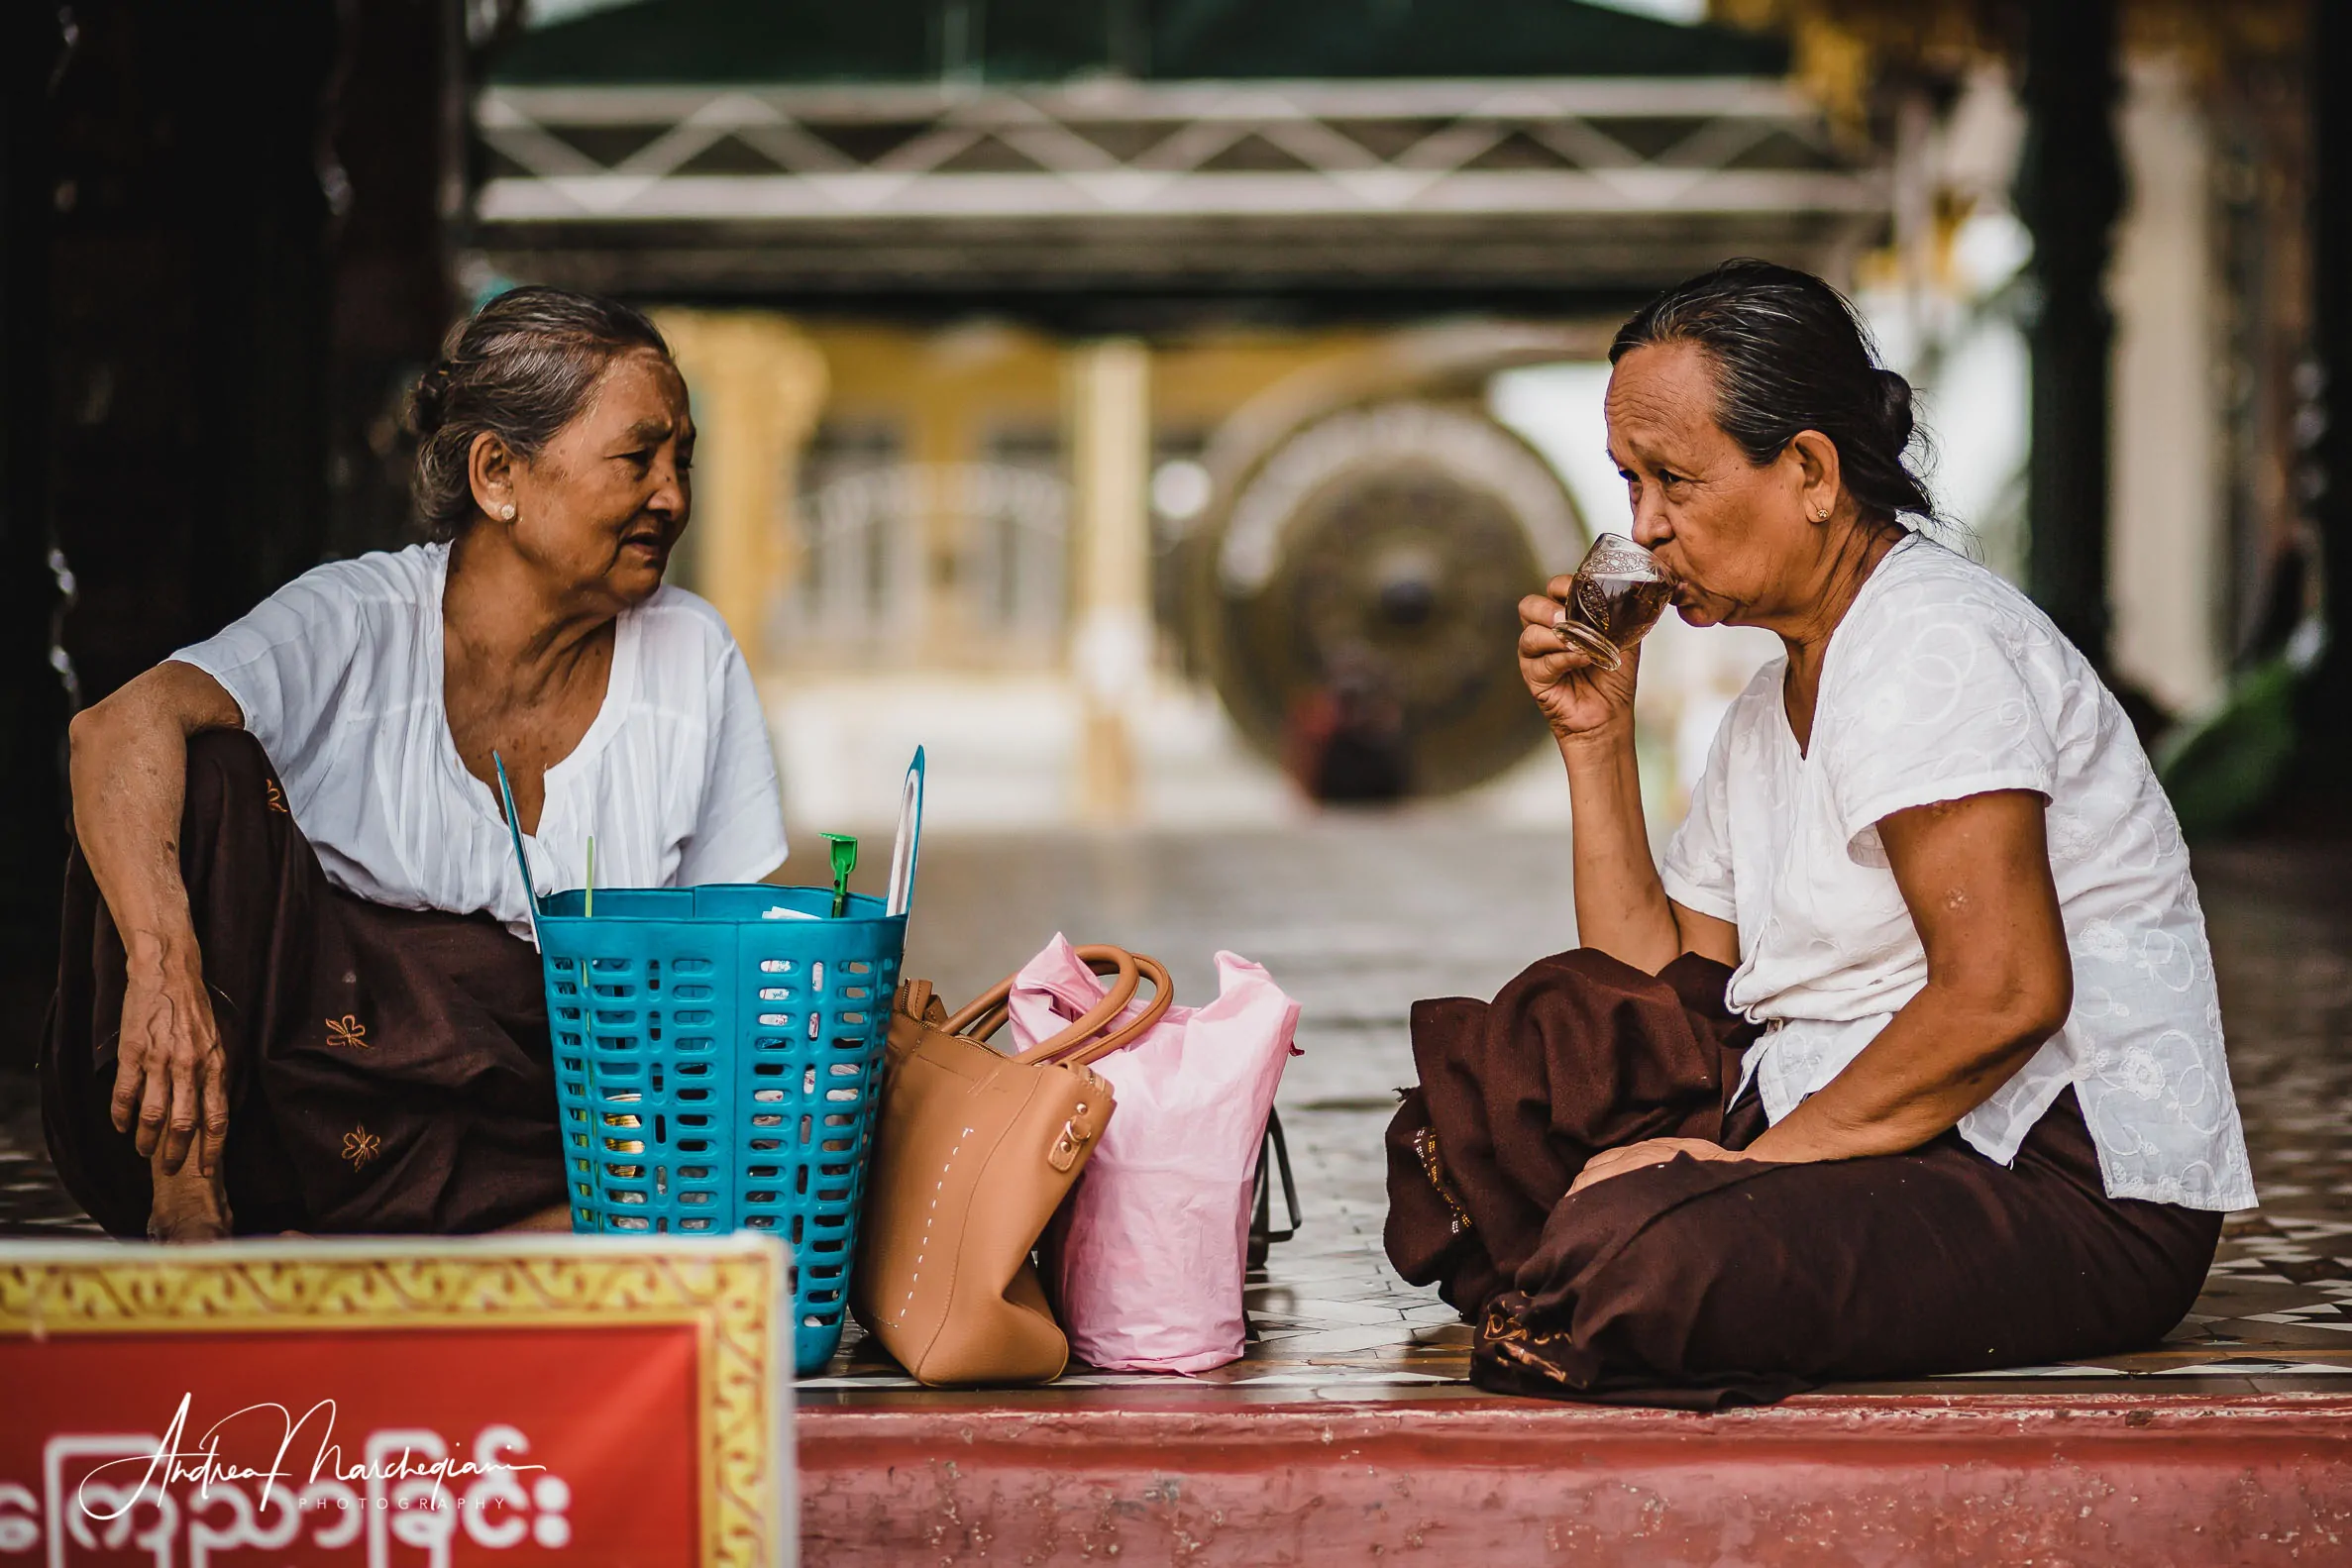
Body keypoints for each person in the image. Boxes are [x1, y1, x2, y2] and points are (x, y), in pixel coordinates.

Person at [1385, 259, 2254, 1407]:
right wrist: (1595, 740)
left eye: (1673, 481)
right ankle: (1614, 1254)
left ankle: (1618, 1260)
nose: (1643, 526)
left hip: (2053, 1177)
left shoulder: (1929, 644)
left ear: (1806, 470)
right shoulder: (1770, 697)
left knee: (1649, 1252)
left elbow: (2001, 995)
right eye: (1627, 482)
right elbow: (1652, 993)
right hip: (1857, 1126)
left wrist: (1733, 1166)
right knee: (1496, 1091)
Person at [43, 286, 788, 1241]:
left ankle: (481, 1238)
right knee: (209, 777)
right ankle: (192, 1216)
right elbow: (114, 730)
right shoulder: (355, 620)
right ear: (497, 474)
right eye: (638, 457)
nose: (673, 495)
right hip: (262, 1101)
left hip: (512, 1129)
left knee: (651, 1062)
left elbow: (729, 953)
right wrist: (165, 971)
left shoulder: (693, 656)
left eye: (683, 461)